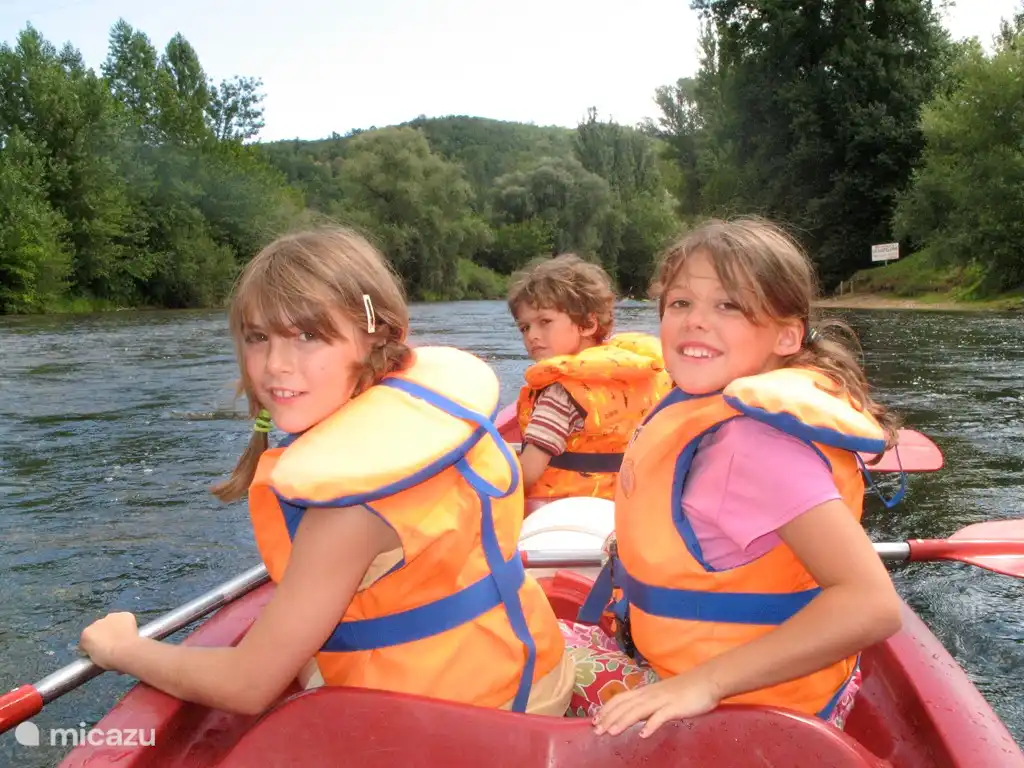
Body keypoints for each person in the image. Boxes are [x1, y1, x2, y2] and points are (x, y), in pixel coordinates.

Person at [79, 227, 574, 716]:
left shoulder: (349, 509)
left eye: (308, 336)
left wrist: (123, 649)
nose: (275, 365)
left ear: (377, 336)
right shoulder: (431, 417)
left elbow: (247, 687)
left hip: (469, 719)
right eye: (258, 337)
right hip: (535, 670)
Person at [568, 217, 903, 735]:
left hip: (746, 713)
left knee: (509, 653)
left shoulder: (754, 447)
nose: (696, 321)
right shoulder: (709, 410)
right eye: (681, 303)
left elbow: (873, 605)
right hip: (734, 684)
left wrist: (705, 683)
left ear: (787, 335)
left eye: (729, 306)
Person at [507, 254, 671, 501]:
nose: (532, 335)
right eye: (525, 327)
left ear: (587, 324)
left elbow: (528, 473)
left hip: (564, 509)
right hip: (633, 508)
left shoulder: (560, 392)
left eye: (545, 322)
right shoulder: (646, 372)